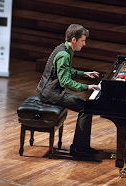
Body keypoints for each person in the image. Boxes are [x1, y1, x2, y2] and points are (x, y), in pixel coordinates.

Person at [36, 24, 101, 157]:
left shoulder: (63, 49)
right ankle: (79, 149)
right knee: (86, 108)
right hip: (51, 94)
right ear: (73, 39)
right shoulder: (64, 55)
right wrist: (86, 87)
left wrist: (84, 74)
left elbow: (66, 72)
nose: (84, 44)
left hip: (50, 91)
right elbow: (64, 81)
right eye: (82, 40)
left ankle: (79, 146)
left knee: (85, 107)